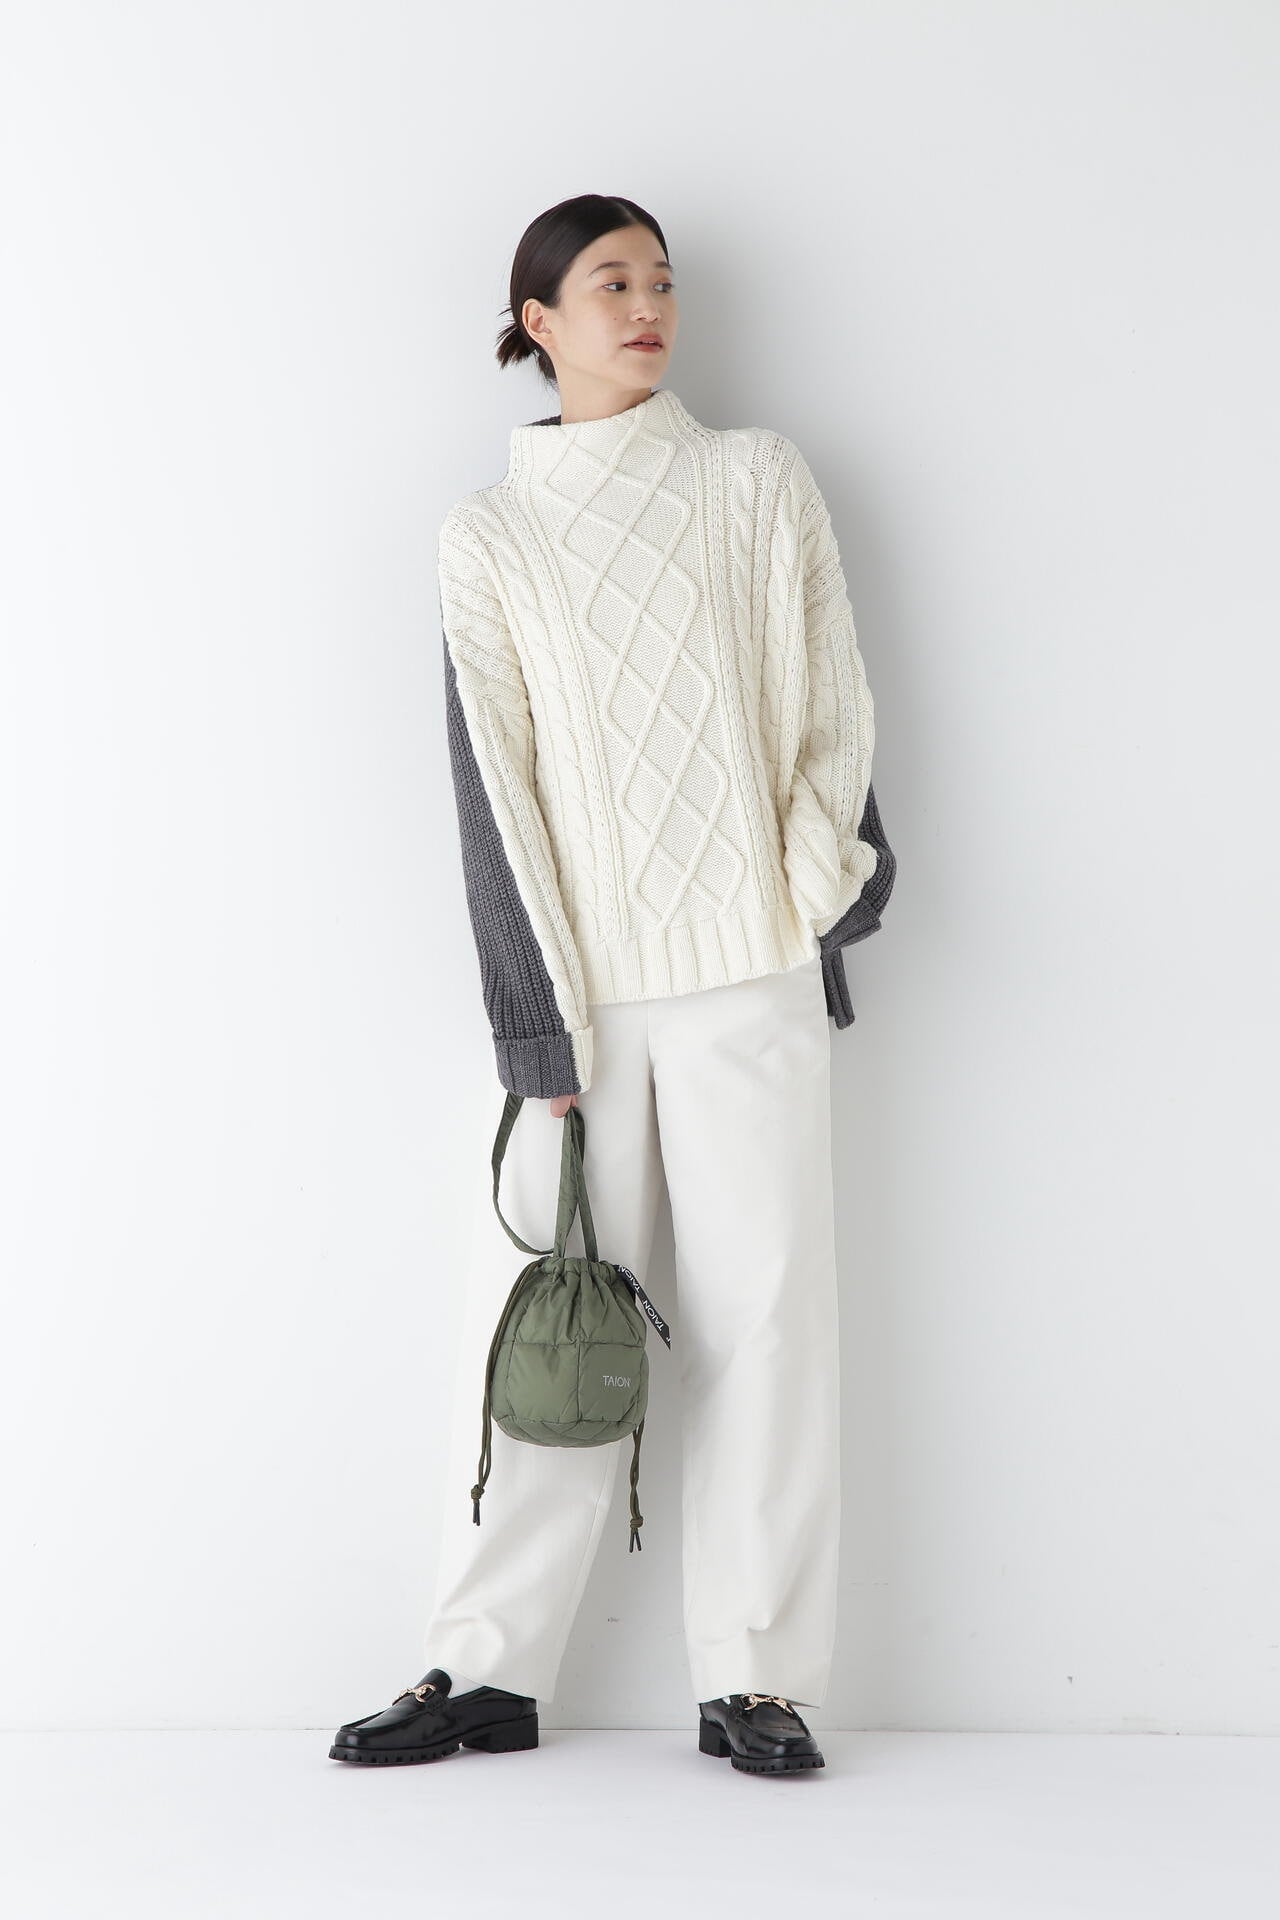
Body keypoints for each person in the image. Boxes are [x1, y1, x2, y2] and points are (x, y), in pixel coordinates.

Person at [330, 193, 896, 1778]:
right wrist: (535, 1020)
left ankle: (756, 1680)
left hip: (751, 981)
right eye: (609, 282)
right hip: (583, 1004)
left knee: (770, 1330)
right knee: (537, 1327)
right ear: (538, 323)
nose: (647, 305)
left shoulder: (755, 478)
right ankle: (484, 1670)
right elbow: (490, 787)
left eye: (661, 279)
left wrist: (816, 895)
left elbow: (832, 707)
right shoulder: (490, 536)